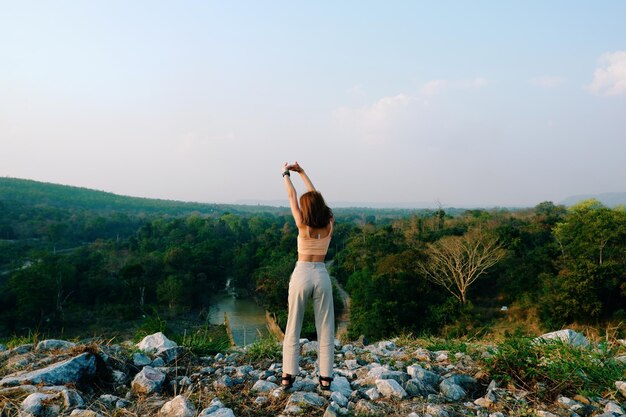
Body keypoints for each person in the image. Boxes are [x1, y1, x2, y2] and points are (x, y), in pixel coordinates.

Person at [281, 161, 335, 391]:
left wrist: (286, 175)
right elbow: (314, 196)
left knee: (294, 323)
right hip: (322, 274)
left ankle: (287, 375)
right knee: (326, 327)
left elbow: (292, 196)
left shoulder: (302, 225)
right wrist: (303, 172)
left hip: (302, 272)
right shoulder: (329, 224)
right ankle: (325, 378)